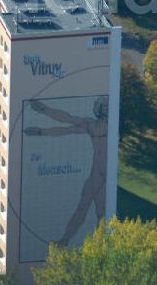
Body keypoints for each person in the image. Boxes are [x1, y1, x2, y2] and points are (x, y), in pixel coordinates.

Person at [26, 97, 109, 247]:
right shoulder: (92, 125)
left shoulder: (113, 124)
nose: (106, 109)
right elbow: (67, 124)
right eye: (104, 106)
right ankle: (65, 241)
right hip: (97, 173)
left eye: (108, 106)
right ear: (99, 108)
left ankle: (100, 246)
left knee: (101, 212)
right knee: (85, 207)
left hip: (107, 175)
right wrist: (41, 129)